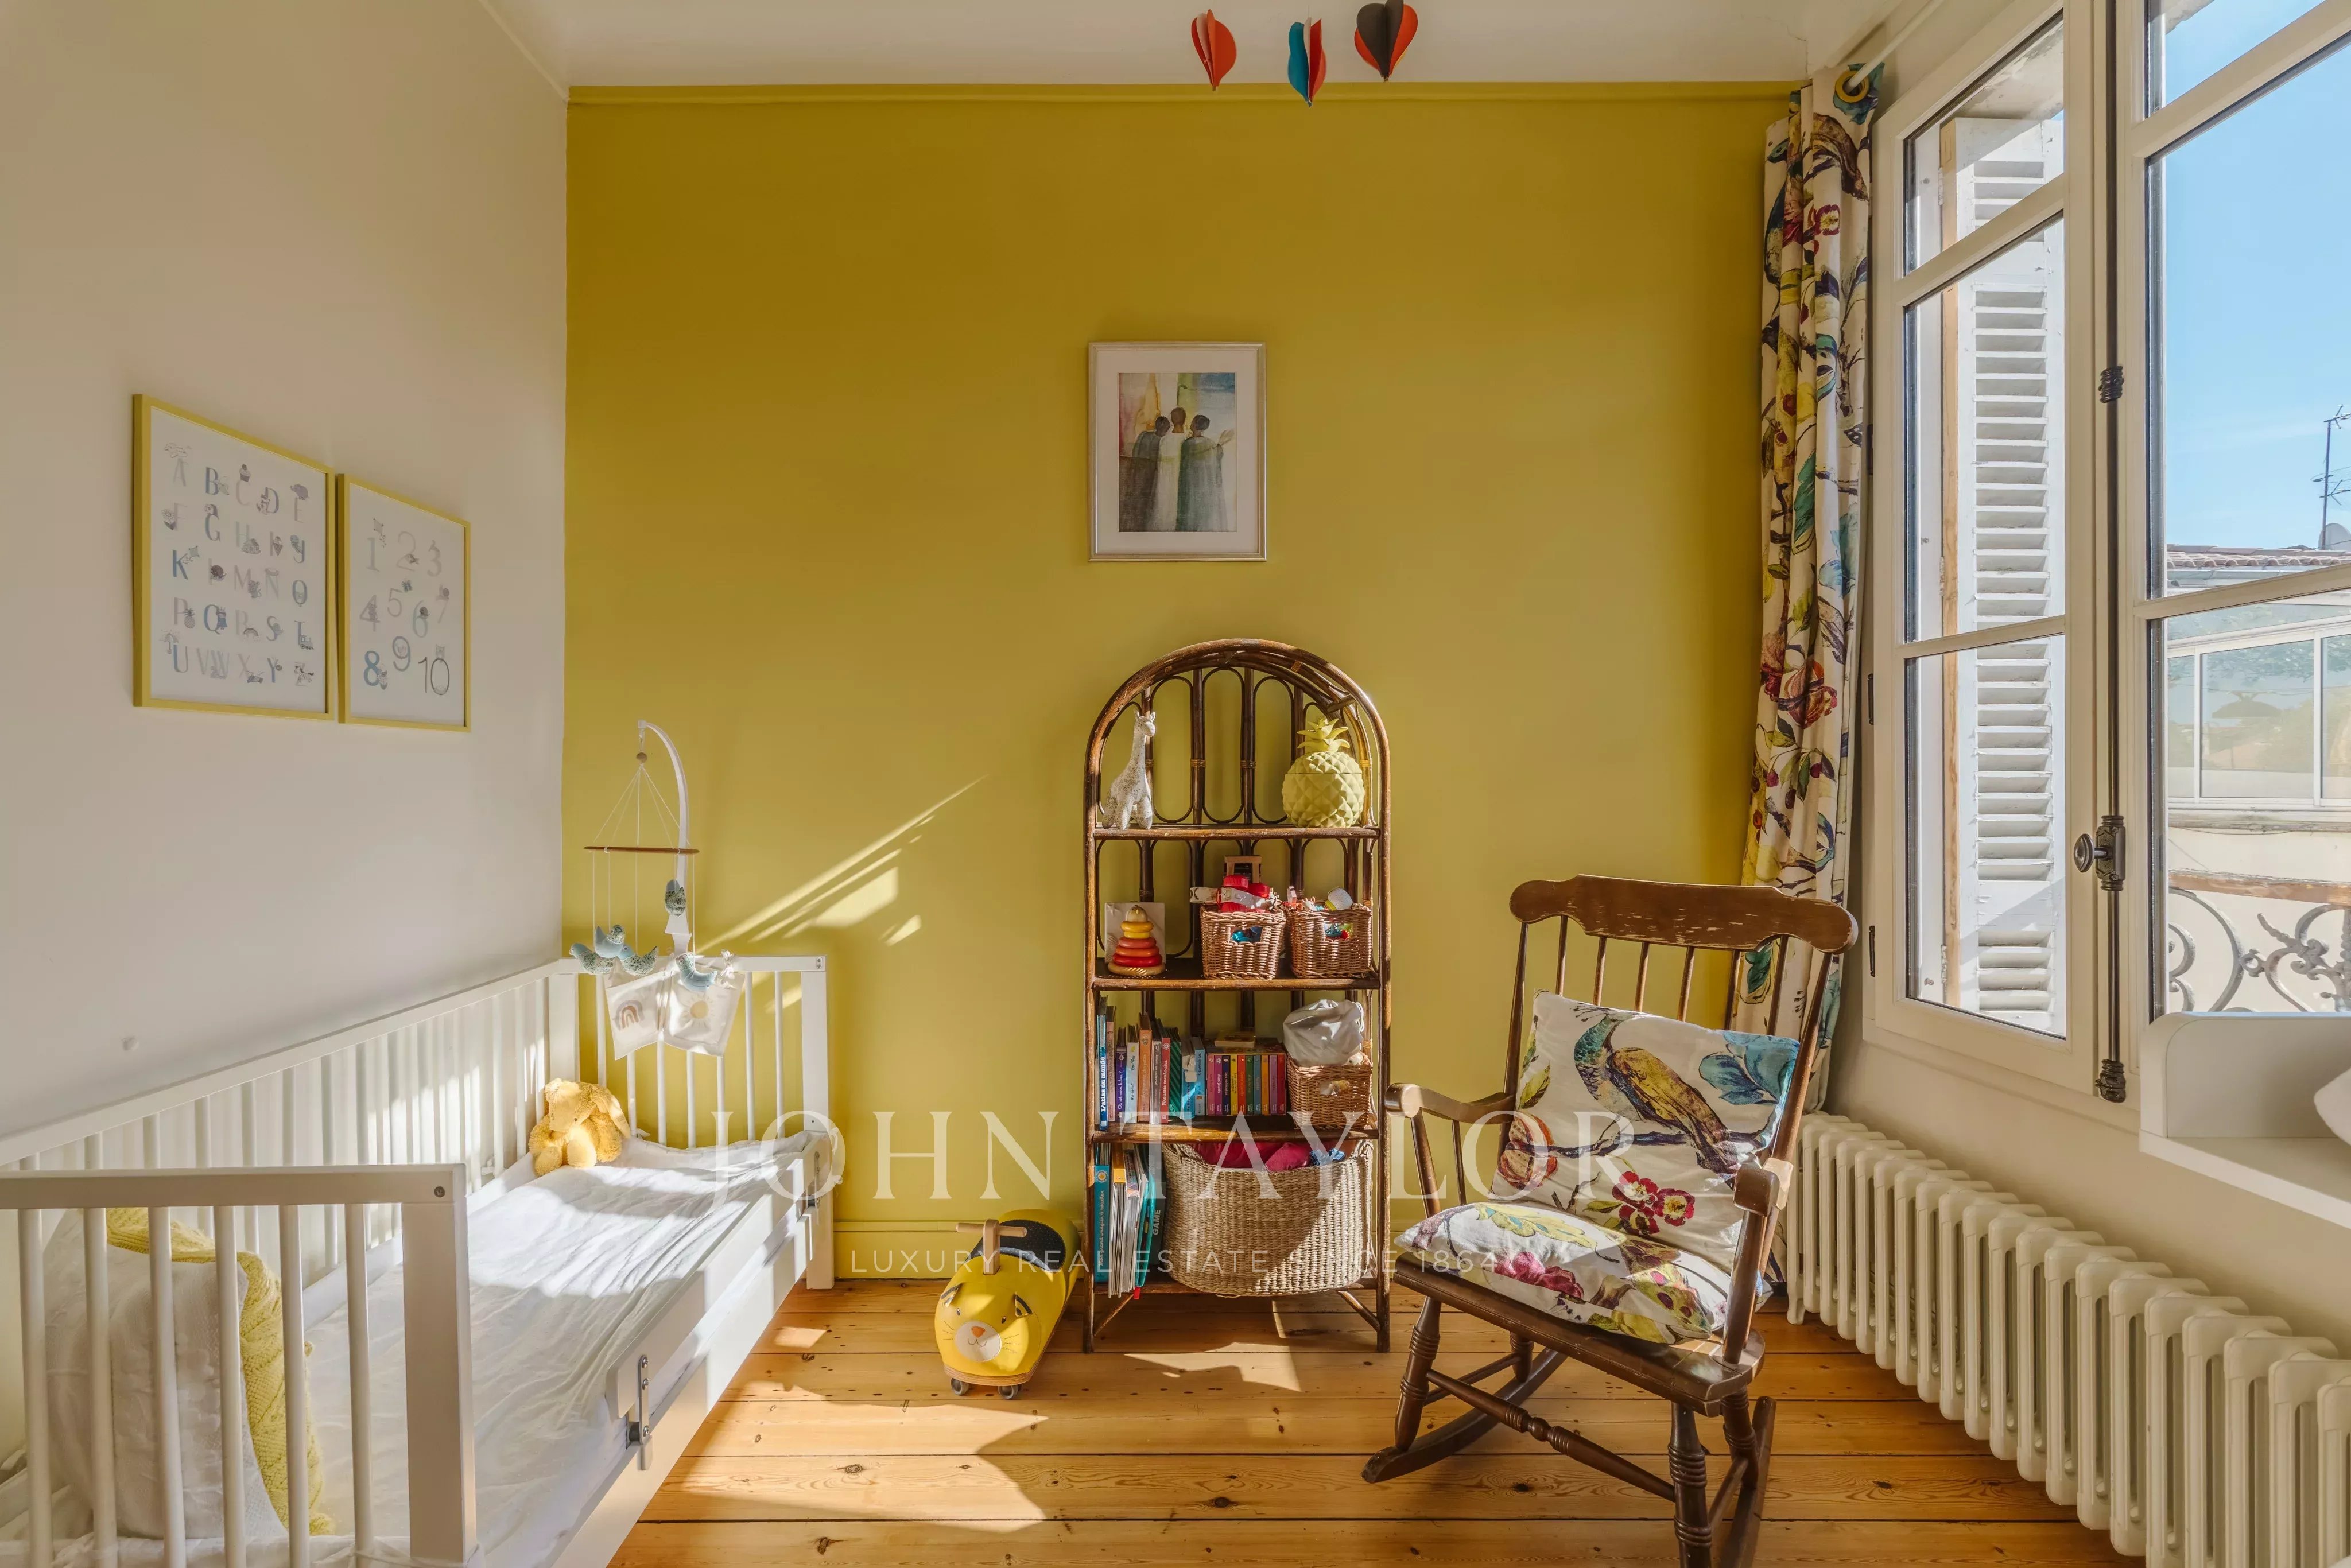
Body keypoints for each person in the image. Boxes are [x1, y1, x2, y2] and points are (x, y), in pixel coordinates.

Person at [1176, 413, 1231, 532]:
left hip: (1190, 483)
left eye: (1193, 421)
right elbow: (1216, 456)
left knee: (1190, 507)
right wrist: (1219, 446)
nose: (1191, 423)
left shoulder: (1187, 444)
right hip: (1203, 484)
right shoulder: (1210, 444)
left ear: (1195, 425)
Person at [1120, 415, 1167, 530]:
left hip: (1138, 470)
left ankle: (1132, 523)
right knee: (1145, 499)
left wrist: (1134, 467)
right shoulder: (1161, 441)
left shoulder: (1144, 435)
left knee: (1135, 497)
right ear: (1165, 429)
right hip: (1149, 473)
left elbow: (1136, 451)